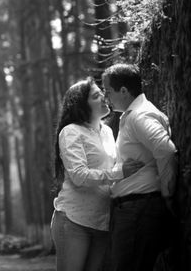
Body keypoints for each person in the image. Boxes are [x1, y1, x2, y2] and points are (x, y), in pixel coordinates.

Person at [51, 77, 143, 271]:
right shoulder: (71, 132)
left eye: (102, 93)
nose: (103, 97)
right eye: (96, 96)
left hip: (102, 221)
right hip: (74, 220)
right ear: (81, 105)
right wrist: (119, 173)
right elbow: (79, 175)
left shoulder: (108, 132)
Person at [102, 63, 178, 271]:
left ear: (124, 91)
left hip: (138, 210)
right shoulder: (132, 115)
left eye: (108, 91)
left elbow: (166, 150)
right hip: (134, 210)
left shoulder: (139, 116)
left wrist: (167, 192)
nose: (106, 97)